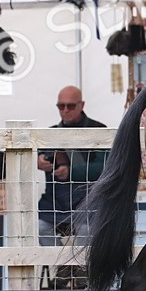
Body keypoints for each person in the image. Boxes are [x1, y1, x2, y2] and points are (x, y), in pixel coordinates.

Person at [37, 86, 107, 249]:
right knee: (41, 228)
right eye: (61, 106)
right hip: (55, 201)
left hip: (88, 200)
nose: (65, 110)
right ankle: (59, 262)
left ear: (81, 105)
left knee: (86, 231)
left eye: (70, 106)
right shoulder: (51, 133)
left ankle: (81, 264)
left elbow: (104, 167)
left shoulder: (99, 131)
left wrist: (70, 172)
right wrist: (40, 160)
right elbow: (41, 154)